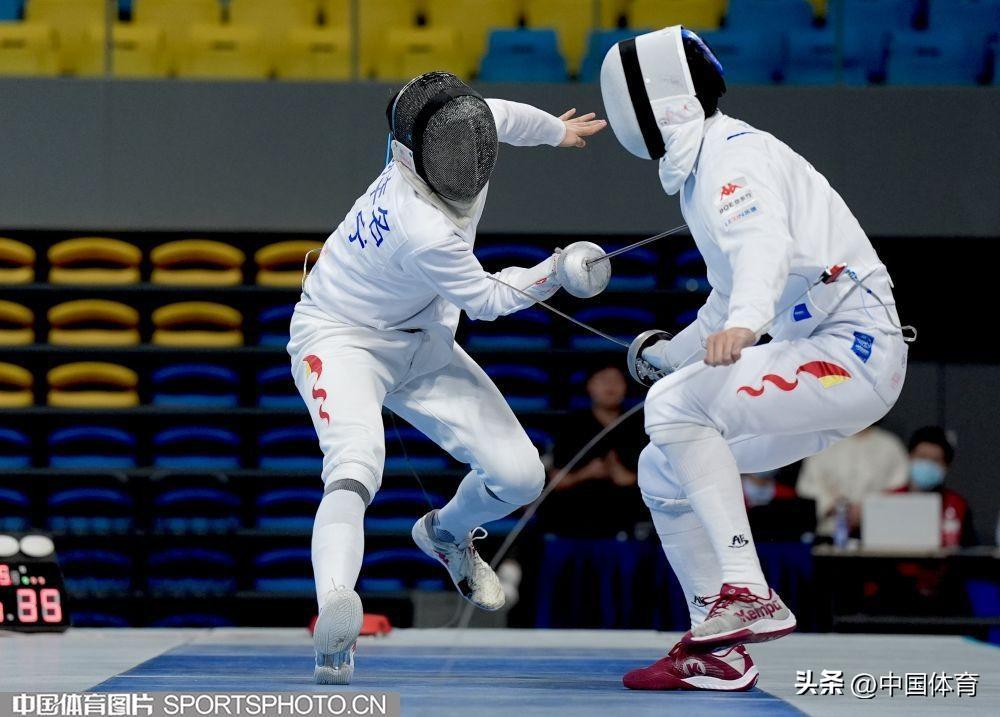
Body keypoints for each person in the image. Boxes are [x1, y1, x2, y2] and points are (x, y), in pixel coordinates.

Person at [599, 27, 909, 691]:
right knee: (662, 466)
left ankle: (749, 590)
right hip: (826, 358)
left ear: (663, 104)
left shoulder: (731, 157)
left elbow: (763, 247)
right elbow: (726, 295)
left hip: (854, 349)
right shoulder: (705, 170)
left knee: (674, 408)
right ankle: (719, 649)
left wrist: (745, 322)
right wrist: (670, 354)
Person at [288, 71, 606, 684]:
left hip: (424, 340)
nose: (468, 165)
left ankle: (445, 534)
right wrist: (558, 270)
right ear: (412, 154)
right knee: (355, 466)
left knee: (521, 476)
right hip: (341, 338)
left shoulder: (464, 126)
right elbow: (487, 300)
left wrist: (556, 132)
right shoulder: (419, 225)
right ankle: (336, 616)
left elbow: (505, 116)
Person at [543, 365, 645, 539]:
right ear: (590, 386)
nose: (611, 385)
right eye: (604, 380)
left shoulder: (638, 425)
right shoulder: (571, 426)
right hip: (573, 520)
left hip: (625, 521)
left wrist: (626, 476)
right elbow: (556, 480)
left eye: (617, 380)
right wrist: (587, 473)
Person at [796, 425, 909, 539]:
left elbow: (899, 487)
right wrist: (835, 505)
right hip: (830, 529)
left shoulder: (889, 444)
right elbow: (807, 485)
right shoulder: (825, 442)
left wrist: (866, 508)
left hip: (878, 531)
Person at [896, 426, 974, 547]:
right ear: (909, 458)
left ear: (946, 467)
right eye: (922, 457)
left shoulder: (957, 505)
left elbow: (969, 550)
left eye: (935, 460)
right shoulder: (889, 500)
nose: (927, 465)